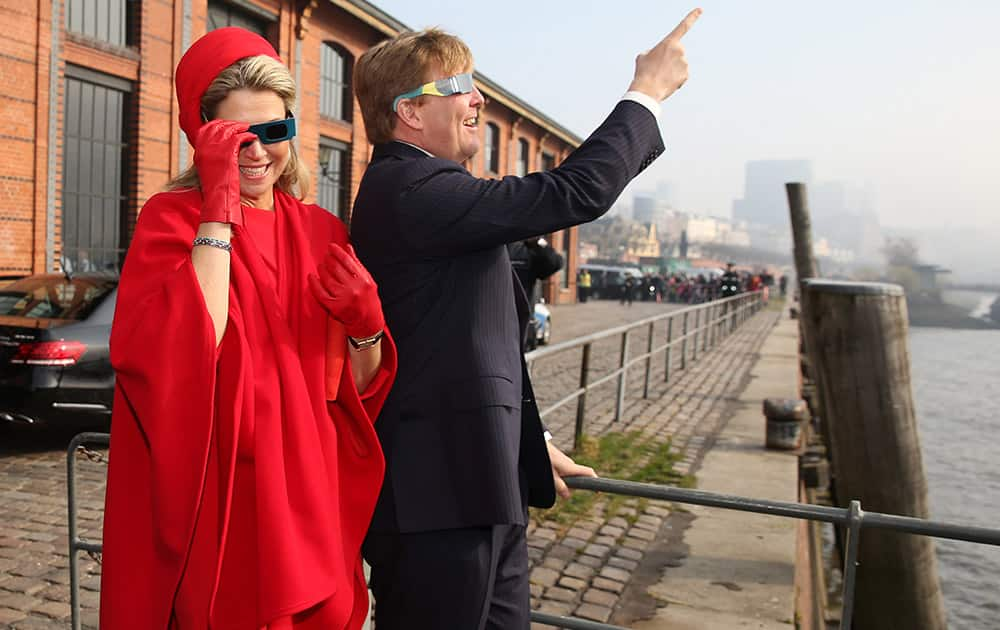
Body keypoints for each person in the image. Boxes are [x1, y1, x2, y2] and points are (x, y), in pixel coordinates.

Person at [350, 10, 699, 629]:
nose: (477, 99)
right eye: (459, 87)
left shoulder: (437, 194)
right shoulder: (409, 189)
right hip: (436, 502)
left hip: (483, 482)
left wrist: (527, 444)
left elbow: (473, 347)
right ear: (409, 111)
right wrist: (645, 94)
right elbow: (574, 192)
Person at [99, 28, 397, 630]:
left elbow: (354, 393)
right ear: (201, 136)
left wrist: (367, 328)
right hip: (220, 497)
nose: (258, 152)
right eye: (235, 137)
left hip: (308, 495)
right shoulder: (170, 219)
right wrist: (217, 209)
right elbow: (180, 354)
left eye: (273, 131)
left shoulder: (322, 232)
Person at [508, 237, 563, 351]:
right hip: (491, 326)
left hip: (521, 328)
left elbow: (554, 263)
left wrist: (537, 243)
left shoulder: (526, 251)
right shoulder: (491, 246)